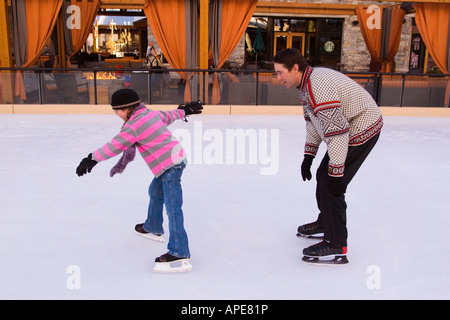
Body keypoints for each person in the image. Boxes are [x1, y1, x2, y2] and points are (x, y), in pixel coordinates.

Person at [273, 49, 383, 265]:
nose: (277, 78)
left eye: (280, 72)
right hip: (347, 127)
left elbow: (338, 132)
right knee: (323, 176)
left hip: (362, 127)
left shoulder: (317, 87)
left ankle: (336, 243)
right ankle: (326, 223)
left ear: (295, 68)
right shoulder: (305, 86)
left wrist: (337, 170)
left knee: (332, 184)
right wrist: (309, 156)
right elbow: (313, 123)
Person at [76, 88, 203, 273]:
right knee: (155, 192)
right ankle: (152, 226)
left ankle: (179, 251)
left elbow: (114, 146)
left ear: (127, 108)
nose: (116, 114)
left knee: (173, 207)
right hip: (174, 160)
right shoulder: (148, 114)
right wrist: (185, 111)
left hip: (170, 166)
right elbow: (169, 115)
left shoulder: (133, 126)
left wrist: (92, 158)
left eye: (116, 110)